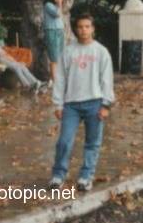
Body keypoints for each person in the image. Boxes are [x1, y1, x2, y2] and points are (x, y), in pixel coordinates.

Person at [49, 14, 115, 192]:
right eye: (80, 27)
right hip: (71, 105)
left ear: (93, 29)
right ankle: (58, 175)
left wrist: (106, 104)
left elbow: (107, 79)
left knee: (92, 143)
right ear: (75, 29)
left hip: (95, 102)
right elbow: (60, 79)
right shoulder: (68, 51)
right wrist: (58, 104)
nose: (83, 30)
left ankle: (86, 176)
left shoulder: (101, 52)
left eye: (87, 26)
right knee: (64, 141)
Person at [43, 0, 66, 86]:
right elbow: (56, 14)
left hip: (60, 31)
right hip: (52, 31)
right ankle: (54, 81)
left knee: (60, 56)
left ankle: (57, 79)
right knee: (54, 57)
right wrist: (59, 4)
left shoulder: (57, 6)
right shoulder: (48, 5)